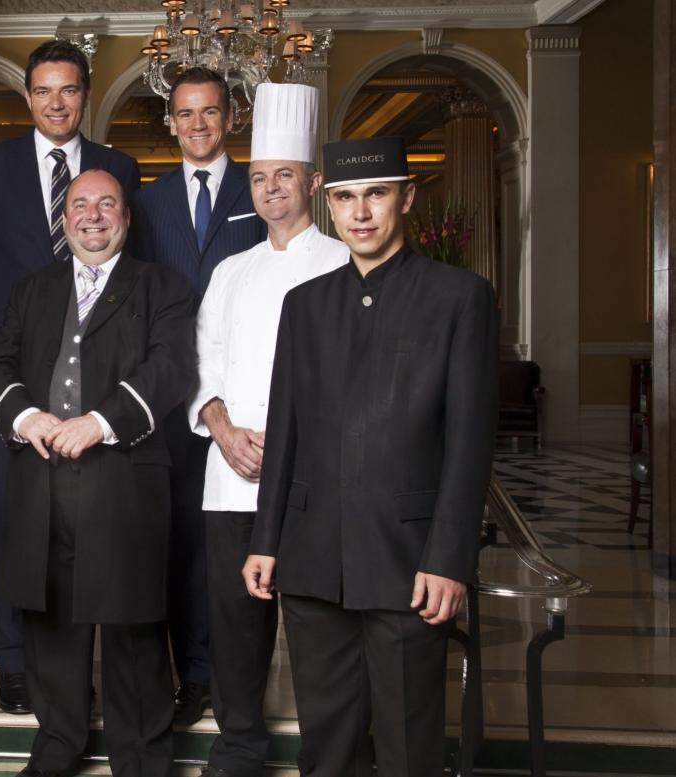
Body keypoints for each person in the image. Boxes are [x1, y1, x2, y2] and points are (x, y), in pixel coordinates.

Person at [243, 136, 499, 776]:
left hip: (409, 561)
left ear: (406, 199)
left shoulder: (459, 298)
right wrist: (265, 538)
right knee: (326, 745)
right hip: (312, 558)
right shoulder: (304, 305)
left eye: (376, 194)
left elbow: (469, 444)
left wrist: (449, 559)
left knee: (408, 749)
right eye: (346, 198)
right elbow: (286, 431)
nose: (360, 213)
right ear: (328, 203)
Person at [0, 169, 197, 777]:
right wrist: (26, 416)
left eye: (108, 204)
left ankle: (143, 760)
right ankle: (59, 745)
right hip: (44, 480)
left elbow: (171, 369)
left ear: (126, 219)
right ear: (65, 218)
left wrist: (99, 422)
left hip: (125, 478)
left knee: (134, 631)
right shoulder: (33, 288)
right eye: (81, 204)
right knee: (50, 627)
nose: (94, 215)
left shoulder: (164, 287)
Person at [0, 38, 141, 714]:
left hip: (98, 389)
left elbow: (131, 277)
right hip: (18, 381)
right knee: (15, 524)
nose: (55, 102)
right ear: (28, 97)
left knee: (94, 530)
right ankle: (14, 661)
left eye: (68, 89)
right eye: (43, 90)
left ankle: (83, 668)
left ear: (85, 94)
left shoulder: (119, 166)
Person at [189, 83, 348, 777]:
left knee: (320, 634)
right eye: (258, 177)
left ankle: (333, 754)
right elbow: (205, 364)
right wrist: (222, 427)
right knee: (233, 630)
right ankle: (239, 747)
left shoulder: (344, 262)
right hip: (231, 478)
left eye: (284, 175)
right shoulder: (229, 270)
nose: (270, 188)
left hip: (313, 483)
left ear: (312, 182)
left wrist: (286, 445)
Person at [128, 66, 266, 726]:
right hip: (172, 400)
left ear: (230, 118)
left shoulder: (260, 189)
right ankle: (196, 674)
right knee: (181, 544)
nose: (198, 124)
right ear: (171, 122)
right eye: (185, 114)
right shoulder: (148, 202)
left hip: (247, 403)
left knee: (238, 548)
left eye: (210, 112)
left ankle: (238, 680)